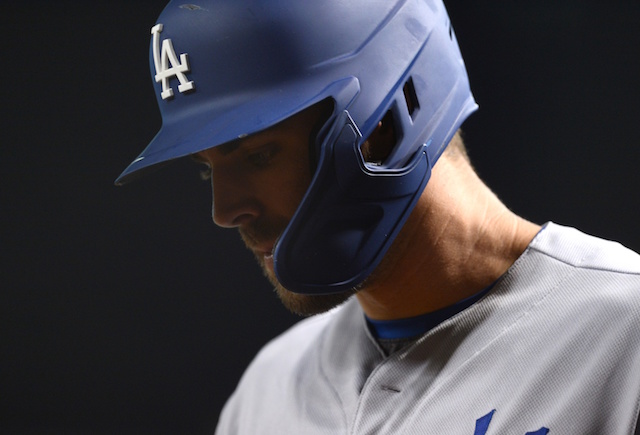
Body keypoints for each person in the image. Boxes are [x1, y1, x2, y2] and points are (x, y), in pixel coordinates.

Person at [116, 0, 640, 433]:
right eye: (207, 171)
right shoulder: (267, 393)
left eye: (258, 155)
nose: (226, 211)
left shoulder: (623, 339)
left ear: (386, 124)